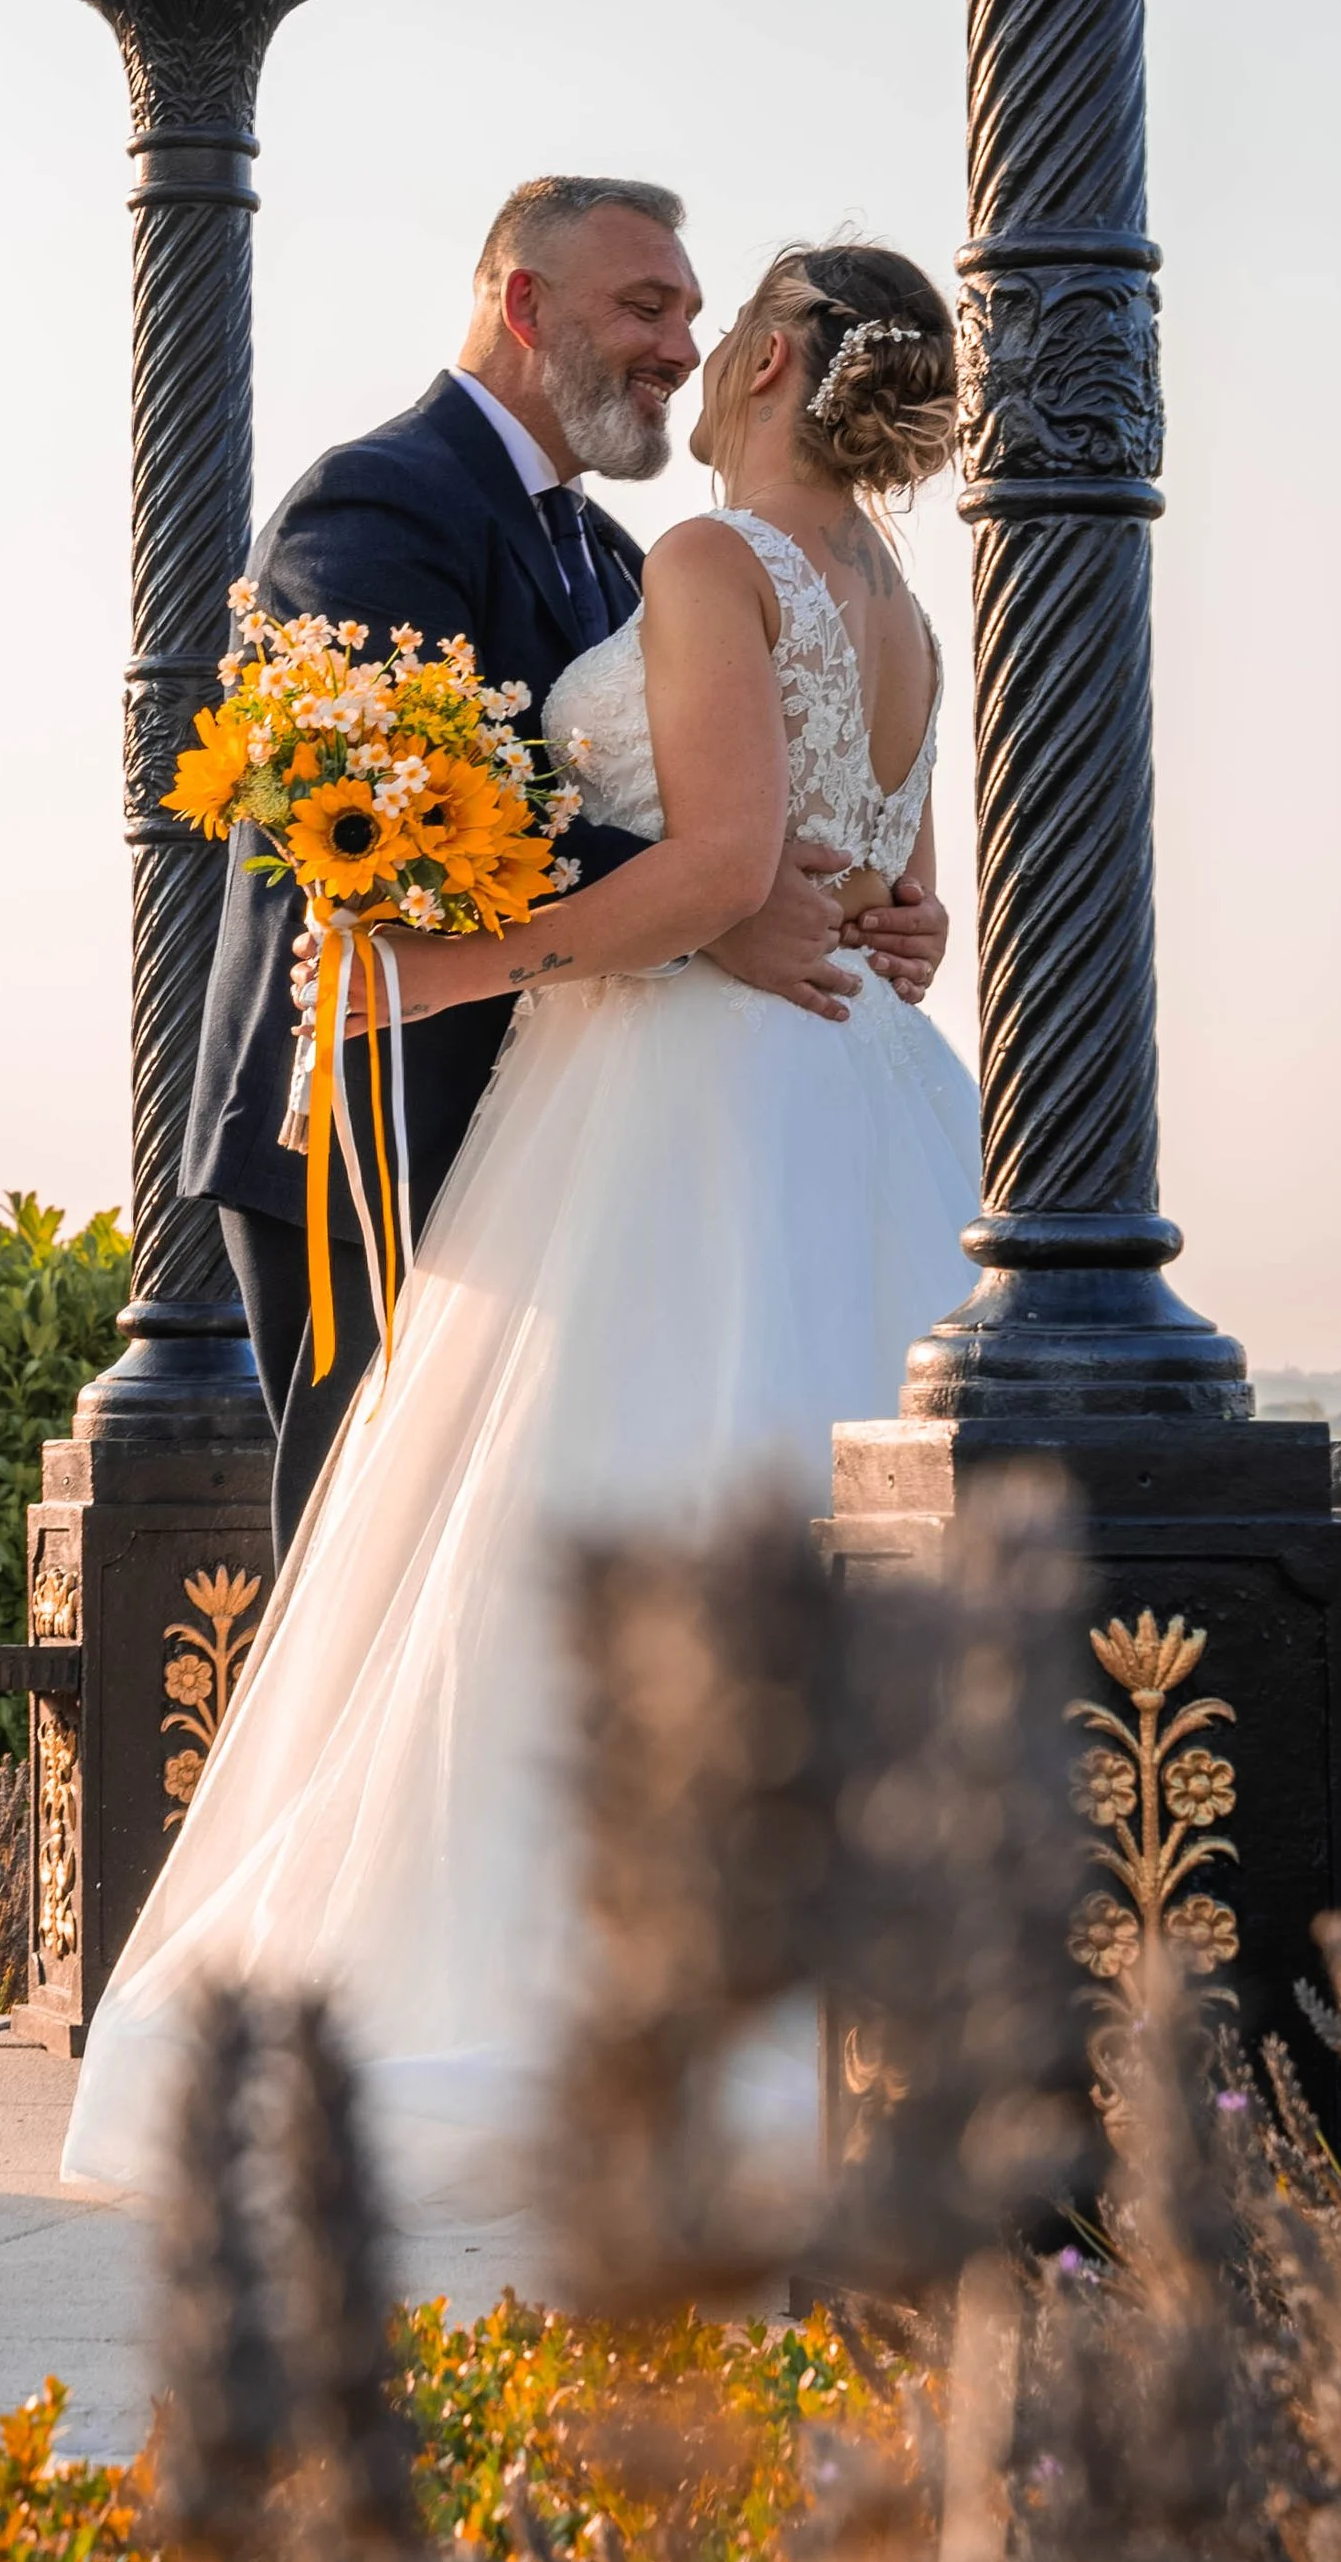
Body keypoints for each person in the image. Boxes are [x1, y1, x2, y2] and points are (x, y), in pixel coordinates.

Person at [64, 240, 983, 2220]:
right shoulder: (899, 604)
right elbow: (897, 905)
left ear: (765, 362)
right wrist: (863, 925)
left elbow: (726, 869)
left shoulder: (706, 566)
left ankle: (587, 1984)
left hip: (678, 1090)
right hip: (861, 1090)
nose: (686, 343)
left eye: (707, 316)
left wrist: (458, 964)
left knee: (581, 1523)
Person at [184, 179, 948, 1565]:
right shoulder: (380, 497)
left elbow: (718, 796)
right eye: (645, 306)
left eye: (695, 317)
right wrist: (723, 908)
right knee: (378, 1562)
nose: (675, 344)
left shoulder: (623, 554)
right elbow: (396, 799)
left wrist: (857, 898)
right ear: (523, 303)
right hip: (383, 1106)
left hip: (592, 1120)